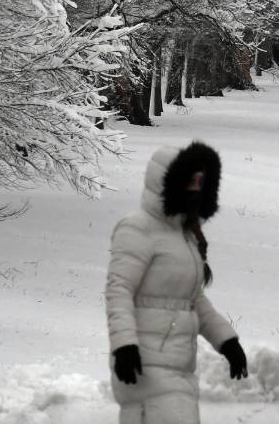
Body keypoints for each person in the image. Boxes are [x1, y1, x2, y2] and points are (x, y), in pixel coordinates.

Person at [106, 142, 247, 424]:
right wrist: (124, 345)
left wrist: (227, 341)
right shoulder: (137, 228)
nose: (195, 188)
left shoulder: (185, 236)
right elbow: (119, 289)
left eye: (201, 182)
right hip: (144, 362)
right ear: (168, 182)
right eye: (190, 180)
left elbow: (192, 299)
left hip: (179, 366)